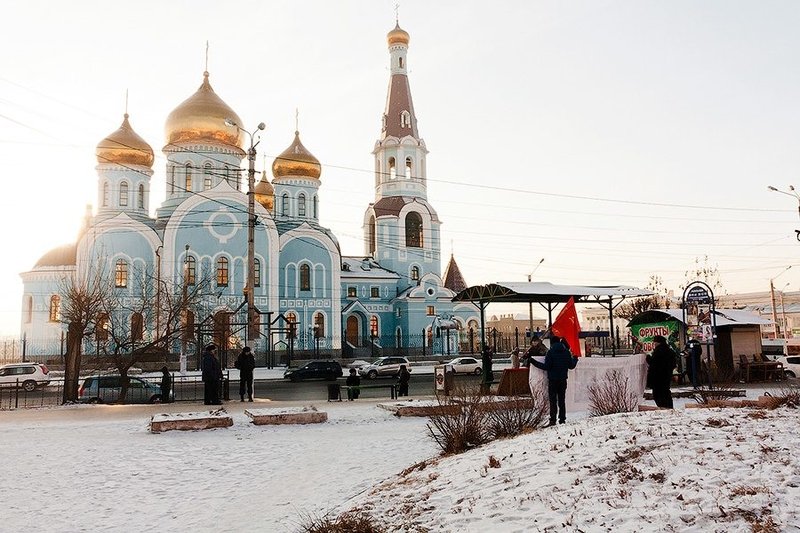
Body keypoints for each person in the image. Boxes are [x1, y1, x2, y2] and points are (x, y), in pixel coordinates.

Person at [530, 336, 579, 426]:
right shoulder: (566, 352)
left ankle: (553, 420)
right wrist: (575, 359)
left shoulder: (550, 352)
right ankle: (562, 420)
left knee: (553, 401)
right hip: (563, 380)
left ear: (552, 343)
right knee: (561, 400)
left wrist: (533, 361)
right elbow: (571, 366)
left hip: (553, 380)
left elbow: (546, 367)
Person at [647, 335, 677, 408]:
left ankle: (663, 408)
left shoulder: (658, 351)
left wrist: (648, 358)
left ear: (658, 342)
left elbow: (653, 363)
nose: (654, 344)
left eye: (655, 342)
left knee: (658, 394)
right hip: (666, 376)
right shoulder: (669, 351)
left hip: (657, 377)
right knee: (666, 392)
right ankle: (669, 407)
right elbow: (673, 363)